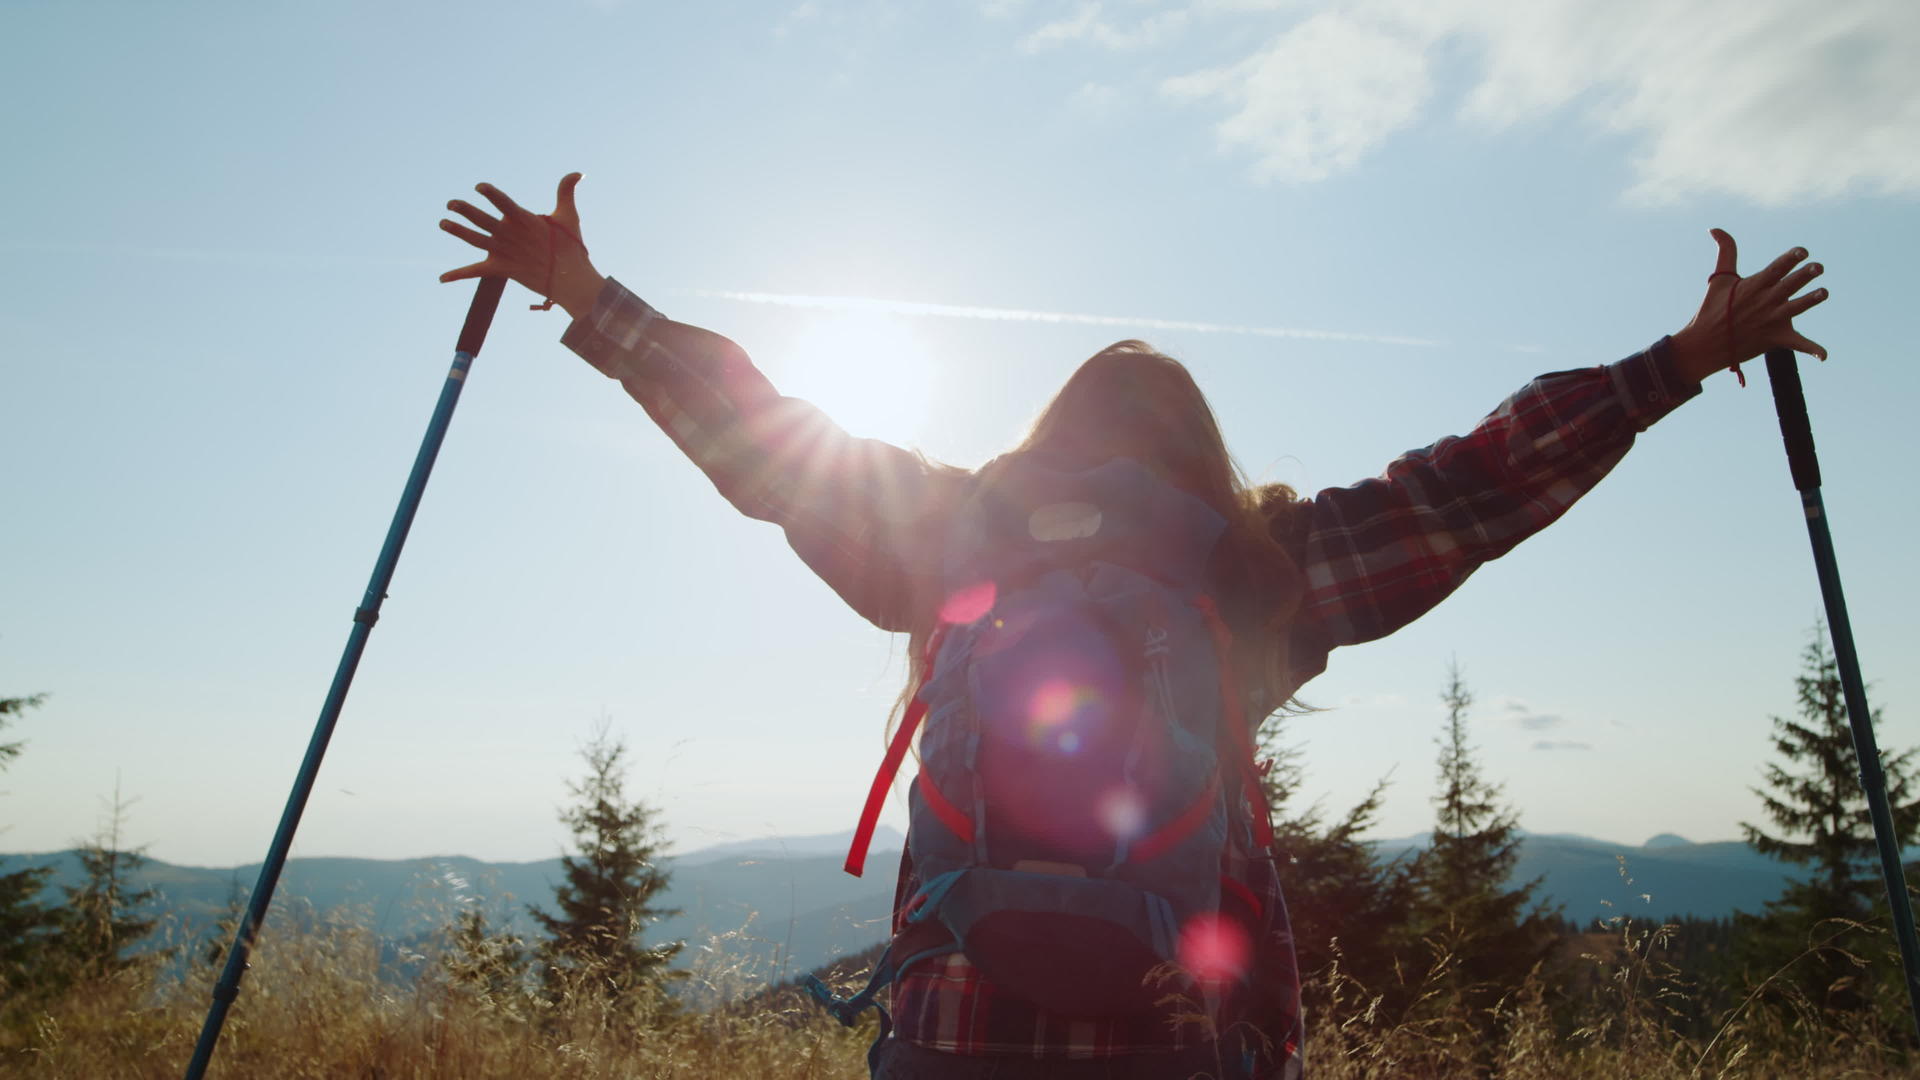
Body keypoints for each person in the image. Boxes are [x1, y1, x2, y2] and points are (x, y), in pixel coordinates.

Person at [438, 173, 1829, 1079]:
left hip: (956, 1024)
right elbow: (1472, 484)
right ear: (1201, 457)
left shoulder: (947, 538)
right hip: (1189, 1035)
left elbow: (766, 436)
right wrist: (1677, 363)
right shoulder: (1257, 569)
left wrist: (592, 298)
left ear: (1049, 440)